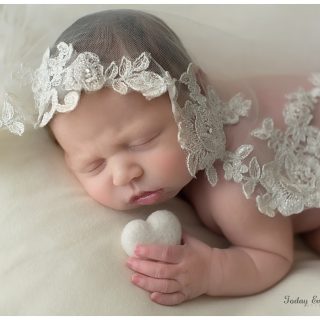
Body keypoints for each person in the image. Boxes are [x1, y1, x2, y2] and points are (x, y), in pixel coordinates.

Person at [1, 9, 320, 306]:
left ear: (197, 99)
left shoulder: (233, 185)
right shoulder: (166, 128)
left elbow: (272, 255)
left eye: (142, 141)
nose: (124, 174)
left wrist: (212, 270)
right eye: (93, 164)